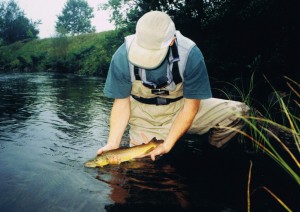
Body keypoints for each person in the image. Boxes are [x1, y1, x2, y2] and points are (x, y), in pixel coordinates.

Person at [97, 11, 249, 161]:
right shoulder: (122, 55)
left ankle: (210, 155)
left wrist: (168, 144)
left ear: (171, 41)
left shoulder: (190, 54)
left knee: (238, 112)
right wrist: (113, 144)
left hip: (182, 107)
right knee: (143, 168)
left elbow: (191, 107)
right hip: (145, 117)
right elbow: (121, 104)